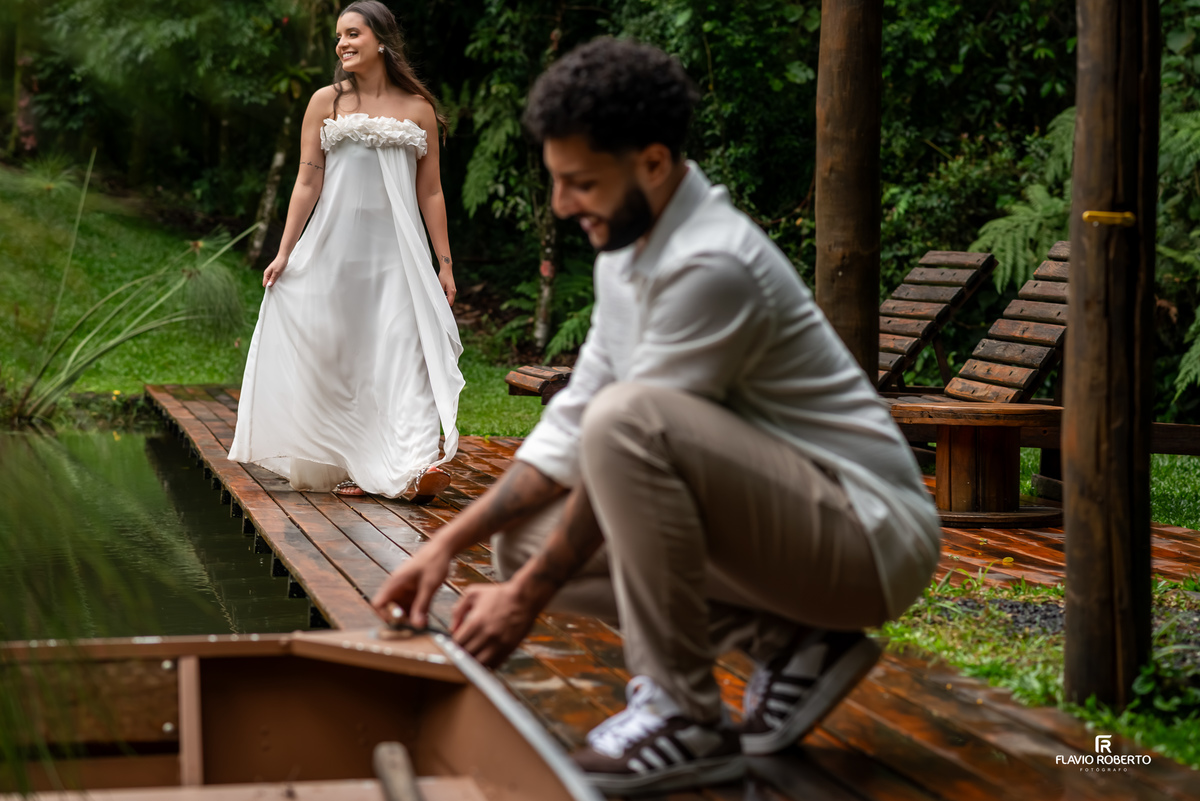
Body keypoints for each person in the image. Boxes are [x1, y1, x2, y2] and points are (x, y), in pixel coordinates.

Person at [371, 38, 941, 794]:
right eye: (557, 181)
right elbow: (574, 421)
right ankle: (794, 641)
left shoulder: (713, 266)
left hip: (868, 535)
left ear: (652, 162)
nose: (563, 204)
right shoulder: (631, 248)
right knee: (524, 542)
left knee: (624, 425)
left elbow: (624, 434)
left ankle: (682, 713)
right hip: (789, 525)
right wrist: (449, 542)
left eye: (580, 183)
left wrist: (528, 601)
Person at [228, 1, 463, 502]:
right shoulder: (325, 102)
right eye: (338, 36)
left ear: (381, 40)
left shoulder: (418, 108)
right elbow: (307, 181)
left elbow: (432, 193)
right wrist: (285, 251)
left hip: (398, 260)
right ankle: (353, 461)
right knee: (343, 360)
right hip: (334, 256)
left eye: (353, 34)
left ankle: (412, 466)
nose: (342, 44)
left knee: (404, 356)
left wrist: (443, 263)